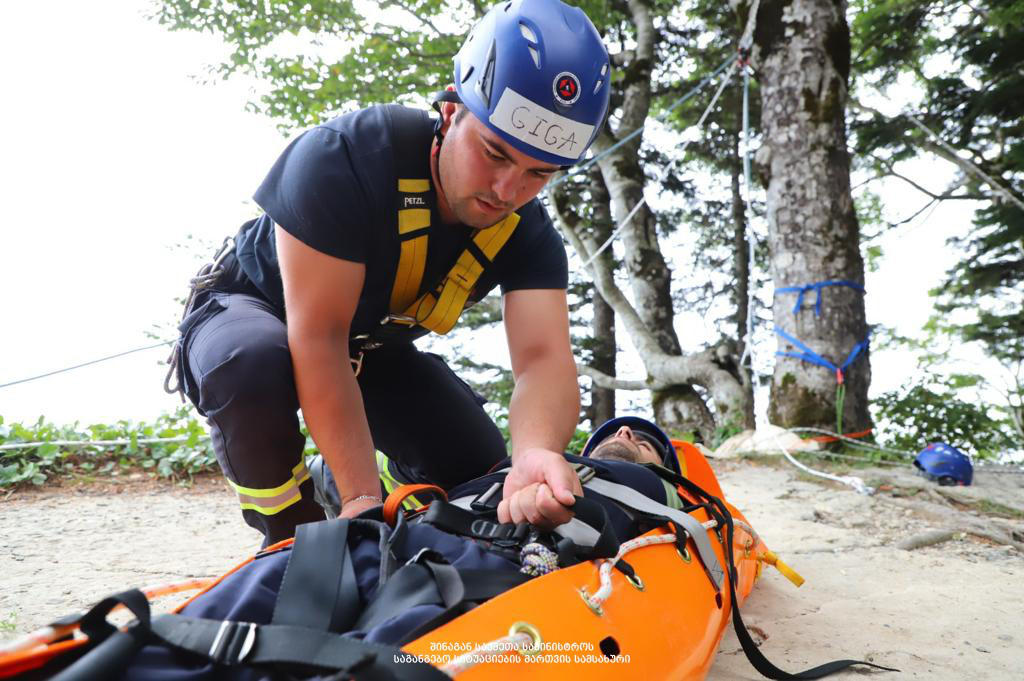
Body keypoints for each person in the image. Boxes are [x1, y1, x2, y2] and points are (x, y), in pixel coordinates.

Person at [166, 0, 612, 545]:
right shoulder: (343, 160)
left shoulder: (527, 231)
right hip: (254, 311)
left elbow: (544, 359)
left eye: (539, 172)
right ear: (451, 114)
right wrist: (361, 503)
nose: (507, 191)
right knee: (251, 363)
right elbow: (318, 337)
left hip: (368, 347)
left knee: (478, 470)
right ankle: (289, 535)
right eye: (494, 153)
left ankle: (348, 487)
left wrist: (537, 450)